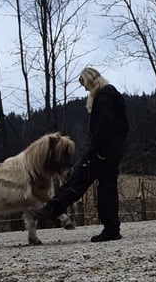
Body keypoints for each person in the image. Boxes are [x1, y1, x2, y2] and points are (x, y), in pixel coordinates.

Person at [29, 67, 129, 242]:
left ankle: (49, 211)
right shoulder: (113, 95)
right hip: (111, 152)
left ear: (90, 79)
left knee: (76, 181)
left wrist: (99, 152)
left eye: (83, 83)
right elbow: (122, 127)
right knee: (107, 188)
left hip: (101, 152)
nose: (84, 88)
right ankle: (112, 229)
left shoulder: (104, 97)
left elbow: (104, 126)